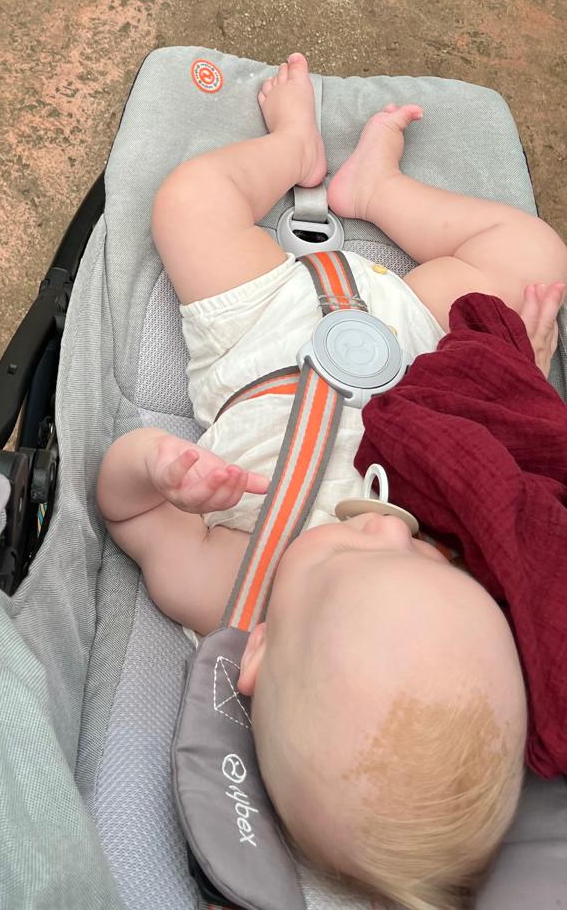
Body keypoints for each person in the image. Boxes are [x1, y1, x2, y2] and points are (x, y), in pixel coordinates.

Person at [97, 54, 567, 910]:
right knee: (538, 256)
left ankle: (288, 145)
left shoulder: (240, 589)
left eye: (356, 550)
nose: (391, 528)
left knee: (188, 203)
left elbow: (129, 516)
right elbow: (503, 468)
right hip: (421, 348)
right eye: (434, 562)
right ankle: (375, 191)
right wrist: (514, 377)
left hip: (263, 331)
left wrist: (156, 469)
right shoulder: (462, 578)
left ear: (260, 655)